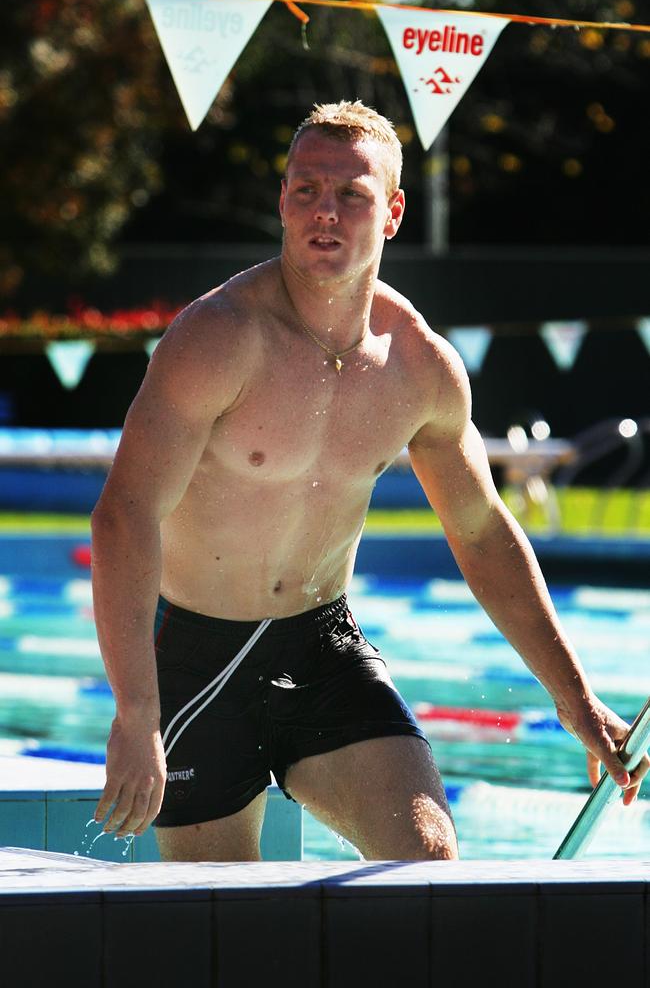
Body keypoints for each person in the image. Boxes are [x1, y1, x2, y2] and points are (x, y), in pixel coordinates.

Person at [92, 100, 648, 862]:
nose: (325, 212)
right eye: (305, 190)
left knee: (427, 867)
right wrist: (136, 713)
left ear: (391, 213)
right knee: (224, 931)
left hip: (322, 644)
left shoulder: (419, 367)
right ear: (282, 201)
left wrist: (575, 699)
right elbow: (124, 515)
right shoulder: (219, 338)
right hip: (198, 662)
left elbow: (481, 531)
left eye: (350, 194)